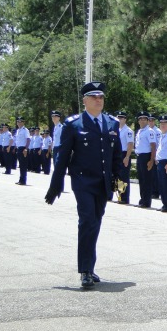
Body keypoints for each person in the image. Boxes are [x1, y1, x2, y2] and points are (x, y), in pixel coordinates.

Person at [44, 81, 122, 289]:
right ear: (85, 100)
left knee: (95, 222)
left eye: (101, 97)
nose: (99, 100)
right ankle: (85, 270)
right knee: (87, 220)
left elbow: (117, 156)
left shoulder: (112, 124)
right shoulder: (73, 124)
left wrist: (121, 185)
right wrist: (55, 185)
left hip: (102, 182)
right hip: (82, 181)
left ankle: (90, 266)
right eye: (94, 97)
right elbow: (63, 156)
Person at [134, 111, 156, 208]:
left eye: (145, 119)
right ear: (138, 121)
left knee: (146, 180)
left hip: (146, 156)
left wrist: (151, 160)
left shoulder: (149, 131)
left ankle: (146, 202)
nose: (142, 121)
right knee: (141, 179)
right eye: (141, 119)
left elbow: (153, 146)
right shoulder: (139, 131)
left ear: (147, 121)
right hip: (140, 156)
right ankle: (142, 199)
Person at [116, 111, 134, 204]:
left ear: (125, 119)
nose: (120, 120)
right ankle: (120, 196)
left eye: (122, 118)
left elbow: (130, 144)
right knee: (119, 176)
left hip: (124, 154)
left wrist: (127, 156)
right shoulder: (117, 129)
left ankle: (125, 198)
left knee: (124, 176)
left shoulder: (128, 131)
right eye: (118, 118)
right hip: (118, 154)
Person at [14, 117, 31, 185]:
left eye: (21, 122)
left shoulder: (25, 130)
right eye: (18, 122)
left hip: (23, 148)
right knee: (20, 165)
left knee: (23, 165)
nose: (19, 123)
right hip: (19, 148)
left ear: (23, 122)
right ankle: (21, 179)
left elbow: (28, 139)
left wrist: (26, 148)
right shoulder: (18, 130)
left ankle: (23, 180)